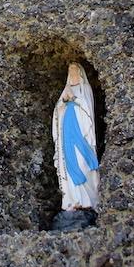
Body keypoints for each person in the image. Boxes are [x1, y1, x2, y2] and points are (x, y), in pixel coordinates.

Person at [52, 63, 100, 211]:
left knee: (82, 160)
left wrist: (75, 100)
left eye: (74, 70)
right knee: (69, 161)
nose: (72, 73)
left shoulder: (84, 88)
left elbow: (88, 109)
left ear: (80, 73)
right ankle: (73, 199)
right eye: (70, 70)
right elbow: (57, 111)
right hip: (67, 130)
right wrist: (63, 102)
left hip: (80, 130)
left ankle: (88, 198)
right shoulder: (66, 90)